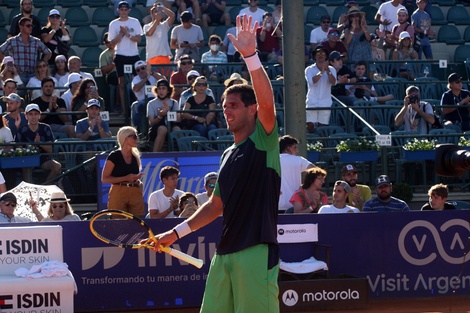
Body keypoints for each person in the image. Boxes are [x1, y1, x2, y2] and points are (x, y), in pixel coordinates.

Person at [153, 14, 281, 312]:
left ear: (252, 110)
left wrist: (250, 57)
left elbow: (268, 103)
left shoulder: (264, 141)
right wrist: (175, 233)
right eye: (224, 107)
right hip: (223, 254)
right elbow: (215, 206)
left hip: (256, 251)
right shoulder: (226, 155)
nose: (227, 111)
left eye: (234, 106)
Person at [108, 0, 143, 116]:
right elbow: (112, 43)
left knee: (139, 80)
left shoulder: (135, 22)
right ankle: (124, 110)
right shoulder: (113, 24)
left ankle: (138, 107)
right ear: (118, 10)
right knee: (121, 84)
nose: (123, 11)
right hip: (120, 55)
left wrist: (127, 34)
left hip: (133, 55)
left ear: (129, 10)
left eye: (125, 9)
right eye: (121, 9)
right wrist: (121, 34)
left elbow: (138, 39)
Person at [101, 126, 145, 217]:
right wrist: (126, 178)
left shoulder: (135, 156)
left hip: (134, 190)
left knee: (137, 222)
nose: (137, 139)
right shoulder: (114, 156)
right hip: (119, 190)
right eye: (134, 137)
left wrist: (137, 181)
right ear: (126, 138)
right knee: (118, 221)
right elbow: (104, 179)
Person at [16, 104, 62, 181]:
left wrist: (39, 143)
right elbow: (19, 150)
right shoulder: (21, 130)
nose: (33, 117)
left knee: (57, 166)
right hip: (28, 159)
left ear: (39, 116)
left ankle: (46, 186)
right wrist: (32, 148)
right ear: (26, 116)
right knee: (25, 166)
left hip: (44, 159)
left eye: (36, 114)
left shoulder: (46, 128)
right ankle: (29, 190)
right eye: (30, 114)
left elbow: (50, 150)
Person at [0, 17, 52, 84]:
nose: (30, 27)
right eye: (28, 26)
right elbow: (0, 51)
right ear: (21, 27)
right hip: (17, 74)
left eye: (31, 26)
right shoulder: (12, 41)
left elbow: (48, 53)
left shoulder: (36, 41)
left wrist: (41, 64)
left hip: (33, 75)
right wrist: (7, 64)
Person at [278, 135, 315, 213]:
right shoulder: (299, 160)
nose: (297, 151)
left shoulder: (272, 160)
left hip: (275, 205)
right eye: (295, 148)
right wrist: (306, 186)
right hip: (296, 205)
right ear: (288, 149)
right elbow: (316, 171)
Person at [305, 45, 337, 133]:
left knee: (323, 128)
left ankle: (322, 145)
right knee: (310, 125)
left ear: (326, 56)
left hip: (325, 102)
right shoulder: (309, 69)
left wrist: (328, 71)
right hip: (312, 101)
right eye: (318, 53)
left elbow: (334, 82)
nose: (320, 55)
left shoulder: (331, 69)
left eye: (323, 53)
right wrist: (322, 72)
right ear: (315, 56)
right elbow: (312, 82)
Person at [147, 79, 181, 152]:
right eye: (159, 89)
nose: (161, 91)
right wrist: (160, 116)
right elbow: (151, 122)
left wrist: (168, 112)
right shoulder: (151, 103)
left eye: (163, 88)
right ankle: (155, 155)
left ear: (168, 90)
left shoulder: (174, 102)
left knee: (177, 129)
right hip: (157, 128)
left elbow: (178, 120)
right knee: (163, 129)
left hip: (171, 125)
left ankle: (182, 154)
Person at [131, 60, 161, 134]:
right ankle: (139, 132)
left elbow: (164, 81)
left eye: (143, 68)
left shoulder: (154, 75)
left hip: (156, 99)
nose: (141, 71)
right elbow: (135, 88)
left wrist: (151, 73)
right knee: (135, 106)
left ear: (146, 68)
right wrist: (145, 79)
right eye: (138, 70)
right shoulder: (136, 79)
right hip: (143, 100)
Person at [143, 3, 175, 67]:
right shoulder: (146, 26)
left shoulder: (164, 25)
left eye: (158, 12)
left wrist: (162, 7)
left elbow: (172, 16)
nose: (157, 13)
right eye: (155, 12)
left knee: (165, 76)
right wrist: (157, 20)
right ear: (151, 14)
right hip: (152, 57)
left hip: (164, 57)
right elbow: (149, 33)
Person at [99, 33, 119, 111]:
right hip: (111, 76)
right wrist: (113, 63)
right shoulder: (103, 55)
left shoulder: (121, 51)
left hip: (123, 74)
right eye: (108, 42)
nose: (110, 43)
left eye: (111, 41)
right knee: (118, 78)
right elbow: (103, 71)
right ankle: (117, 104)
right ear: (105, 44)